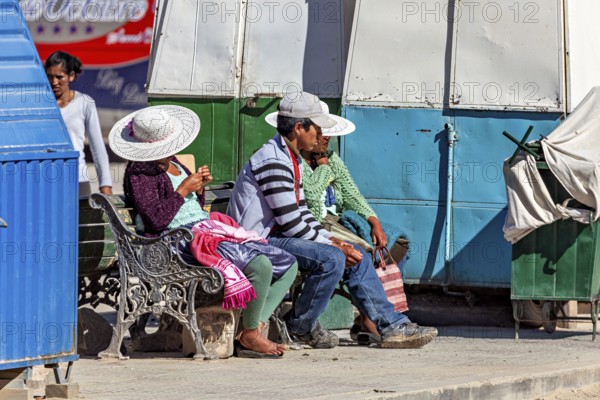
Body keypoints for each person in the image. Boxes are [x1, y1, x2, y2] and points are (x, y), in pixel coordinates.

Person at [228, 91, 437, 349]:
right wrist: (334, 245)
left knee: (355, 254)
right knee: (332, 257)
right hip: (255, 242)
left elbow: (302, 212)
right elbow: (292, 222)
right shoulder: (274, 161)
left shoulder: (288, 157)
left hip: (276, 237)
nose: (320, 135)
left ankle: (390, 324)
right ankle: (301, 324)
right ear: (299, 128)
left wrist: (333, 239)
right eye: (316, 128)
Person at [108, 105, 298, 358]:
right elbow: (155, 221)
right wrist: (184, 189)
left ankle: (253, 328)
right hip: (177, 241)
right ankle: (251, 334)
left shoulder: (172, 162)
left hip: (203, 228)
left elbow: (192, 208)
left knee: (288, 263)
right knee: (260, 265)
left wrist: (198, 189)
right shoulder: (139, 173)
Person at [266, 101, 408, 343]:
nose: (325, 140)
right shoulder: (296, 162)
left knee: (397, 243)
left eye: (327, 136)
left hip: (336, 221)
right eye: (321, 134)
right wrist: (322, 168)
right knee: (358, 253)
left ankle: (372, 315)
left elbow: (353, 195)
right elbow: (309, 199)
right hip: (317, 224)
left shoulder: (333, 160)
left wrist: (374, 222)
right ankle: (373, 319)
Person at [45, 51, 113, 196]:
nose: (54, 82)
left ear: (71, 76)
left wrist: (105, 184)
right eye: (49, 76)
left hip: (78, 179)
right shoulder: (40, 104)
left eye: (59, 77)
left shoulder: (85, 102)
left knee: (80, 219)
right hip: (44, 179)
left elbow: (97, 147)